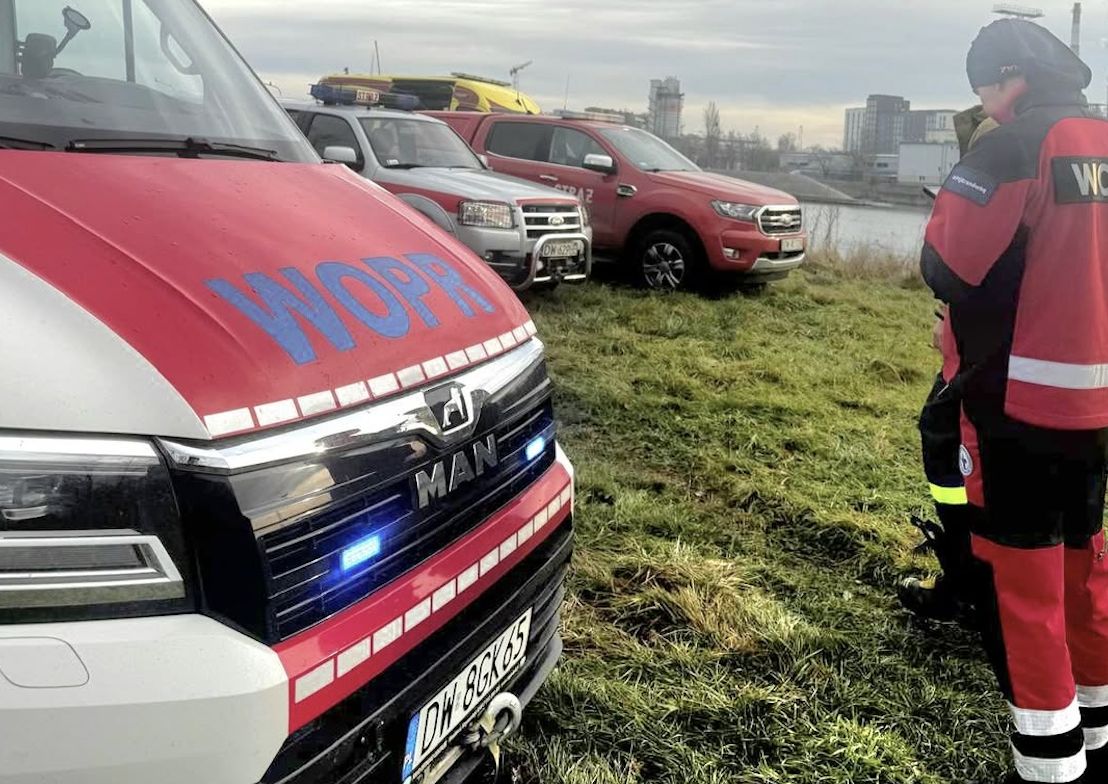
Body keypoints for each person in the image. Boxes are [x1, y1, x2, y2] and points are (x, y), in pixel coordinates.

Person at [921, 19, 1108, 784]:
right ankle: (1098, 732)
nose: (985, 103)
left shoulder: (1010, 148)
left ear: (1011, 77)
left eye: (985, 87)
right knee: (1083, 569)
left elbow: (946, 266)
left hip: (1017, 406)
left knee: (1023, 589)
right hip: (1097, 407)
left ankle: (1049, 767)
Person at [898, 106, 997, 624]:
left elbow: (967, 266)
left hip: (986, 358)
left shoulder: (1010, 150)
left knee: (949, 445)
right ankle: (975, 580)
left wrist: (953, 322)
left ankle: (970, 585)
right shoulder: (1071, 151)